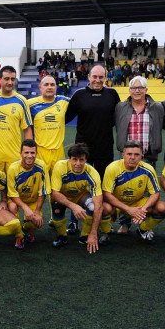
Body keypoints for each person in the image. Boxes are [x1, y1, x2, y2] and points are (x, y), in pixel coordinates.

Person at [65, 65, 120, 234]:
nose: (97, 80)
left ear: (105, 77)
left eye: (101, 77)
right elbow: (65, 117)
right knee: (79, 185)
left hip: (104, 148)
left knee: (103, 186)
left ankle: (104, 220)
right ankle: (74, 220)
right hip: (82, 150)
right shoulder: (79, 95)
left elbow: (117, 117)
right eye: (94, 76)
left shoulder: (112, 94)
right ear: (88, 76)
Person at [102, 141, 165, 243]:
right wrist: (128, 209)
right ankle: (106, 232)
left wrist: (143, 209)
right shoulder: (112, 168)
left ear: (141, 156)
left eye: (136, 154)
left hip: (137, 203)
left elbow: (155, 193)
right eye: (129, 154)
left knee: (162, 207)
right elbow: (106, 194)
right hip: (117, 205)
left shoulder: (148, 169)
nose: (133, 157)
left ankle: (143, 229)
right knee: (104, 208)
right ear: (123, 155)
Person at [50, 143, 107, 254]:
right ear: (69, 159)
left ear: (86, 160)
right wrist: (73, 206)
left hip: (81, 196)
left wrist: (94, 233)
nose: (78, 163)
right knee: (57, 207)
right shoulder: (60, 166)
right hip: (63, 195)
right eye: (74, 159)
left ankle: (86, 235)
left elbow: (99, 206)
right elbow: (54, 193)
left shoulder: (93, 173)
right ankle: (62, 236)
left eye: (81, 160)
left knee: (93, 206)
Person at [0, 66, 32, 172]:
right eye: (7, 79)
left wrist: (28, 152)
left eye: (13, 79)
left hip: (14, 156)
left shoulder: (22, 101)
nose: (10, 82)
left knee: (12, 187)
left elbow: (27, 129)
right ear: (0, 79)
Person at [7, 140, 50, 249]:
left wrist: (37, 211)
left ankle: (27, 228)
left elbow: (43, 191)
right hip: (17, 200)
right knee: (12, 207)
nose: (29, 156)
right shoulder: (13, 168)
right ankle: (19, 234)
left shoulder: (42, 166)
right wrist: (25, 208)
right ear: (20, 153)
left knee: (38, 223)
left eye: (32, 153)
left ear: (37, 153)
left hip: (33, 199)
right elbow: (12, 194)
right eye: (26, 153)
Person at [115, 76, 165, 169]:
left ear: (146, 90)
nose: (137, 91)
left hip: (148, 157)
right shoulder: (120, 107)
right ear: (129, 90)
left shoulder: (157, 107)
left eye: (140, 88)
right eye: (133, 88)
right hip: (126, 157)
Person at [28, 75, 70, 172]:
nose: (49, 87)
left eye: (52, 85)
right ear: (40, 87)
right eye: (46, 84)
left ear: (56, 87)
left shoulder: (63, 101)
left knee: (58, 182)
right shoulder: (30, 104)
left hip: (58, 151)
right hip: (40, 151)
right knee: (41, 183)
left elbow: (81, 102)